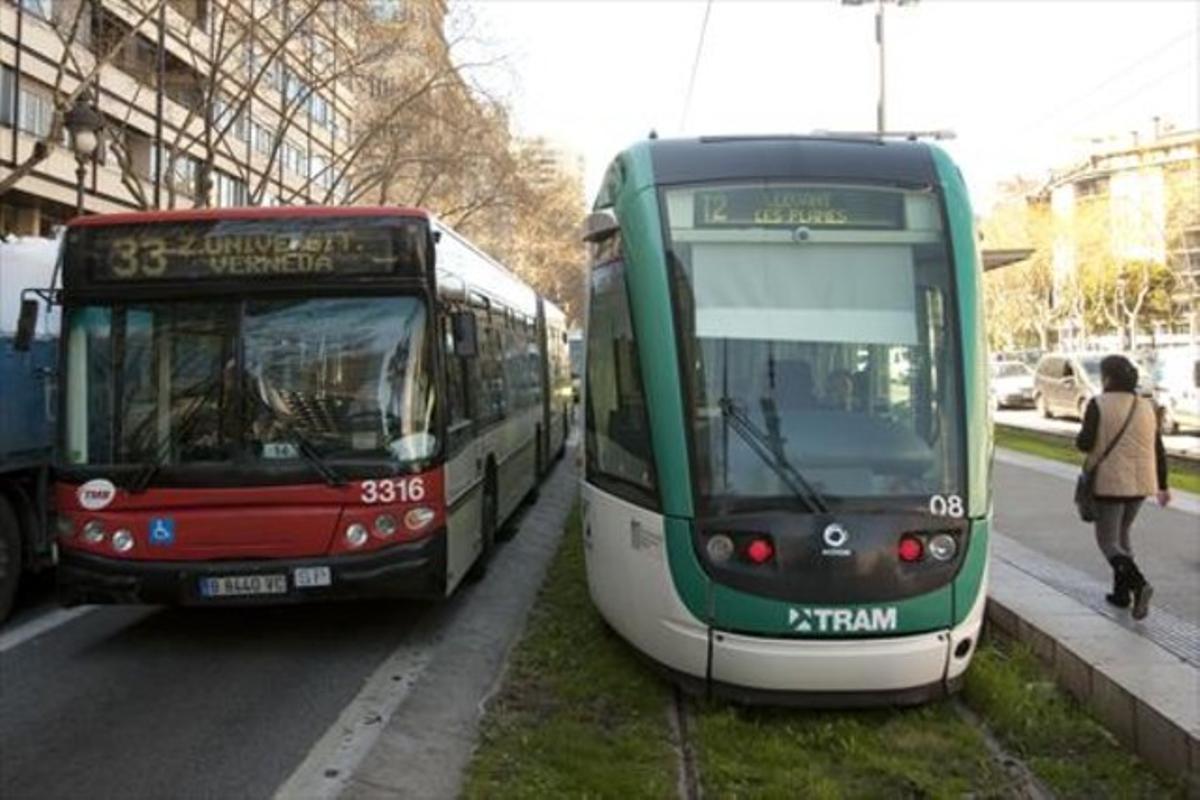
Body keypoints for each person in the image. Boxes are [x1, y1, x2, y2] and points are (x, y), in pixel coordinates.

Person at [1075, 354, 1171, 620]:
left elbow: (1084, 444)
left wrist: (1082, 436)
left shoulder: (1099, 404)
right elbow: (1158, 449)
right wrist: (1163, 485)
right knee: (1123, 535)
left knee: (1107, 542)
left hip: (1110, 483)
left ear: (1107, 377)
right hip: (1141, 483)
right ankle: (1121, 594)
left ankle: (1139, 585)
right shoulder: (1147, 406)